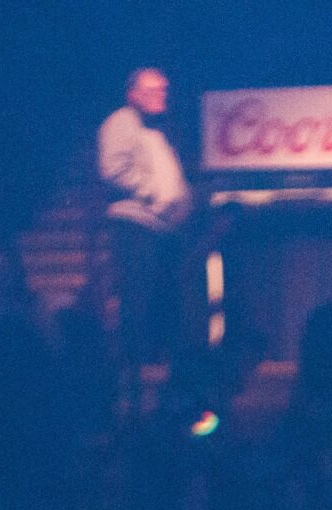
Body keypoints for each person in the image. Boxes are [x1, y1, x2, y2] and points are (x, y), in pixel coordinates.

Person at [99, 68, 193, 370]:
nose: (160, 96)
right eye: (152, 91)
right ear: (133, 94)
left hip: (158, 225)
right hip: (135, 221)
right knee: (140, 295)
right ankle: (137, 365)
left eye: (163, 90)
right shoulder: (122, 122)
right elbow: (114, 168)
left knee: (161, 297)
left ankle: (154, 361)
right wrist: (152, 191)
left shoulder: (156, 131)